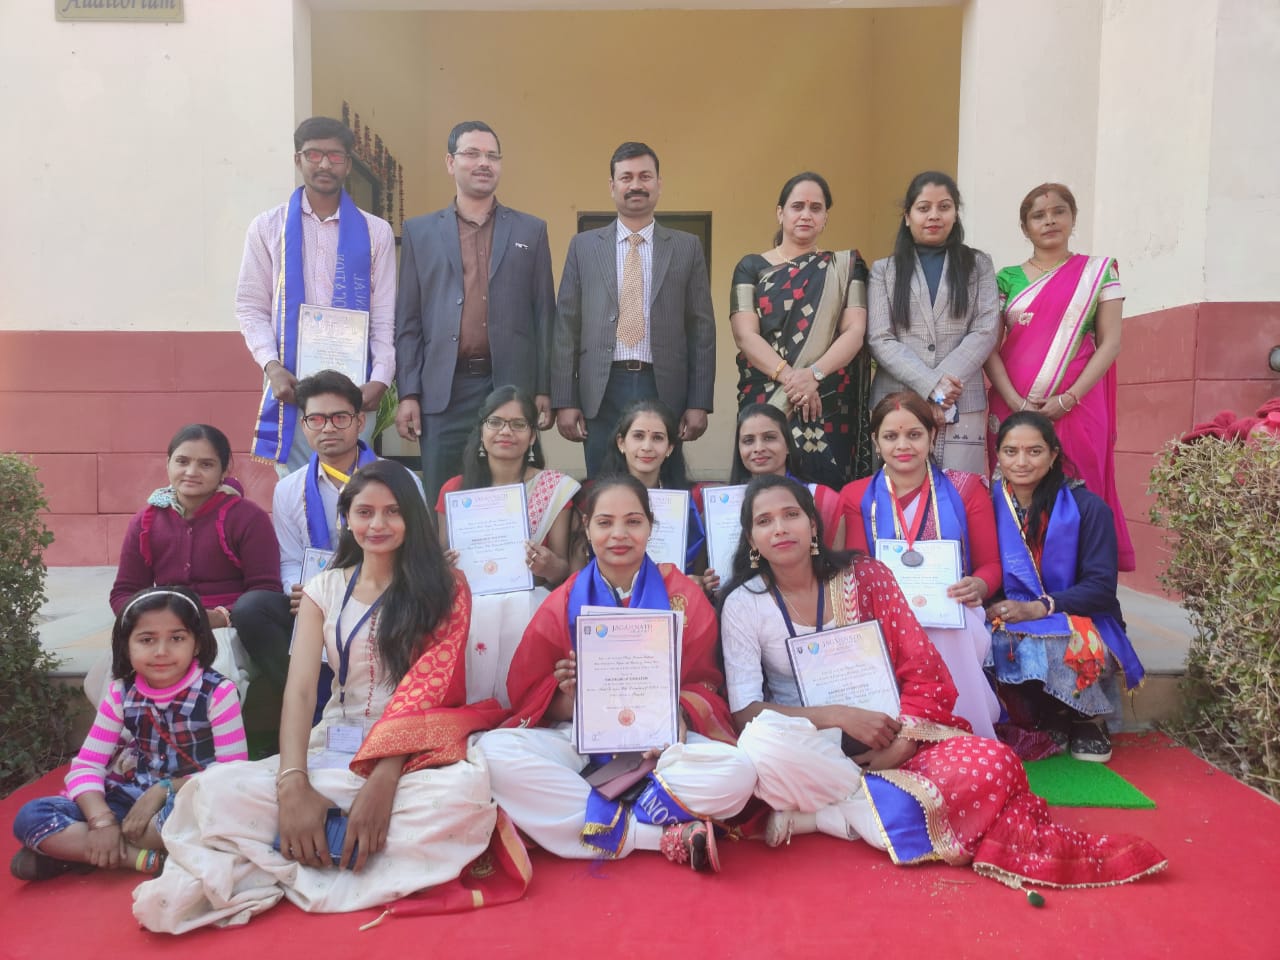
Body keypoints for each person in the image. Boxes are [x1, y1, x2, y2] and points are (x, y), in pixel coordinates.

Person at [720, 476, 1166, 889]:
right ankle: (854, 809)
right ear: (751, 539)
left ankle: (821, 814)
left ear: (813, 525)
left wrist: (903, 742)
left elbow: (923, 669)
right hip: (809, 746)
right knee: (760, 745)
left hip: (890, 736)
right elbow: (746, 713)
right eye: (765, 521)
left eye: (791, 514)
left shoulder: (866, 576)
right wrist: (838, 716)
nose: (781, 528)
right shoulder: (744, 604)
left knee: (997, 763)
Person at [134, 461, 515, 932]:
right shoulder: (324, 589)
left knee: (458, 799)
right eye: (365, 512)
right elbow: (298, 692)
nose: (377, 524)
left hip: (416, 751)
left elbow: (427, 690)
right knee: (218, 789)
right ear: (347, 519)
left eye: (393, 511)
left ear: (412, 518)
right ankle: (332, 844)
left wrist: (383, 780)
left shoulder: (447, 587)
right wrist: (293, 784)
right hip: (336, 740)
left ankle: (283, 852)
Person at [478, 475, 756, 873]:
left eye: (633, 521)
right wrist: (568, 696)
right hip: (583, 742)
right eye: (605, 522)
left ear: (650, 526)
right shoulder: (564, 599)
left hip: (664, 746)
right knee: (493, 753)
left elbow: (707, 683)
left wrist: (676, 714)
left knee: (739, 774)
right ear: (587, 527)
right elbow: (528, 691)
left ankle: (593, 818)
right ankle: (650, 833)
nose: (619, 534)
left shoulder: (683, 596)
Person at [11, 587, 246, 883]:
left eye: (177, 638)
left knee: (210, 815)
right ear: (126, 646)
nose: (161, 651)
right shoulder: (121, 693)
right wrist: (102, 822)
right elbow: (87, 766)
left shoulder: (218, 692)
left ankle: (79, 852)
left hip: (189, 801)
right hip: (130, 799)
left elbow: (231, 773)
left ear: (197, 643)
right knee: (31, 817)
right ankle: (146, 859)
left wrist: (163, 790)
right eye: (147, 640)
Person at [395, 120, 557, 505]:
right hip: (444, 391)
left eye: (492, 156)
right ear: (450, 162)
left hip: (510, 387)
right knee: (444, 496)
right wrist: (409, 392)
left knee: (511, 495)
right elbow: (409, 321)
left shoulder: (531, 231)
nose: (484, 163)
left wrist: (544, 388)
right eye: (472, 154)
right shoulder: (420, 232)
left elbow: (544, 315)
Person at [984, 183, 1135, 570]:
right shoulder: (1006, 279)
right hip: (1013, 403)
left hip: (1078, 406)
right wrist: (1016, 403)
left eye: (1058, 212)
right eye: (1038, 215)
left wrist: (1069, 399)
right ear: (1025, 227)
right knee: (1014, 487)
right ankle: (1017, 579)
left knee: (1080, 487)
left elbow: (1111, 344)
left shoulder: (1098, 272)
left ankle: (1082, 584)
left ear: (1073, 218)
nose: (1049, 221)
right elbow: (988, 347)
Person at [838, 392, 1001, 738]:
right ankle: (905, 732)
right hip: (884, 612)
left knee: (949, 625)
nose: (903, 445)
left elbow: (990, 565)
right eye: (890, 436)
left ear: (932, 435)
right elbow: (855, 570)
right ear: (875, 441)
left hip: (952, 606)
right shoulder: (856, 496)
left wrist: (978, 585)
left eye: (914, 434)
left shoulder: (966, 489)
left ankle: (960, 731)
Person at [238, 116, 396, 474]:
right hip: (291, 383)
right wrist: (273, 367)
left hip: (356, 384)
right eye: (313, 154)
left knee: (355, 486)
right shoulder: (269, 227)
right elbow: (250, 307)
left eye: (335, 156)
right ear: (298, 160)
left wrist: (381, 378)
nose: (324, 164)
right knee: (297, 485)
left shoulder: (376, 232)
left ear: (348, 164)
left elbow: (385, 316)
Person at [986, 412, 1146, 763]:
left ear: (1053, 455)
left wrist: (1041, 607)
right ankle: (1051, 711)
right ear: (998, 456)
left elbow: (1100, 588)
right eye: (1011, 451)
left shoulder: (1088, 508)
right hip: (1013, 615)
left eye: (1034, 451)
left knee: (1058, 641)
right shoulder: (986, 506)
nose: (1022, 462)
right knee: (982, 639)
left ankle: (1087, 717)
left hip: (1082, 617)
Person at [552, 141, 716, 475]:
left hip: (663, 385)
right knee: (603, 483)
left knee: (662, 482)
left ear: (659, 184)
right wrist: (565, 399)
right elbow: (566, 325)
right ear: (612, 186)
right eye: (626, 177)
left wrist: (699, 402)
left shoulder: (686, 247)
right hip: (601, 387)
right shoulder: (584, 247)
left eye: (645, 176)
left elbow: (701, 328)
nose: (636, 185)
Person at [271, 370, 425, 714]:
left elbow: (418, 546)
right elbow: (290, 558)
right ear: (304, 426)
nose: (327, 428)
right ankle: (310, 708)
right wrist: (298, 589)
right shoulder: (288, 489)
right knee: (258, 611)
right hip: (320, 597)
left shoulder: (401, 480)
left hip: (389, 592)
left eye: (339, 417)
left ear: (359, 421)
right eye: (316, 419)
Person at [108, 425, 284, 699]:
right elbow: (124, 591)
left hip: (226, 629)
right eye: (182, 461)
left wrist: (220, 616)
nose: (191, 472)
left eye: (206, 464)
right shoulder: (146, 521)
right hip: (162, 627)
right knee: (112, 682)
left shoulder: (248, 518)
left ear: (224, 470)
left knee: (213, 678)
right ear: (168, 464)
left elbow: (265, 591)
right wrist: (153, 620)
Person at [436, 386, 579, 705]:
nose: (505, 431)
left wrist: (547, 565)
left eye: (518, 424)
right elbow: (439, 564)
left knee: (523, 607)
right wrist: (444, 565)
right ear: (482, 430)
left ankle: (523, 706)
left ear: (532, 436)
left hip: (530, 601)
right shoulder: (456, 489)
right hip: (469, 601)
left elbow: (563, 570)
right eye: (496, 422)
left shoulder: (554, 489)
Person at [729, 172, 873, 488]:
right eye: (797, 206)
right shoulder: (750, 267)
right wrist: (793, 380)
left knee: (827, 491)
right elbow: (745, 335)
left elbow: (855, 330)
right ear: (780, 213)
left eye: (815, 208)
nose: (806, 214)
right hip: (767, 393)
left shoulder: (844, 268)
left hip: (827, 397)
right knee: (762, 485)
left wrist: (814, 375)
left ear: (825, 218)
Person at [867, 171, 999, 475]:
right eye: (924, 208)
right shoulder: (884, 270)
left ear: (955, 213)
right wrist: (931, 387)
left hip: (961, 401)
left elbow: (986, 329)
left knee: (960, 493)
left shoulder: (978, 264)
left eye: (944, 207)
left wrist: (941, 388)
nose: (934, 216)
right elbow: (879, 338)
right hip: (897, 400)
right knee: (899, 493)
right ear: (907, 216)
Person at [596, 398, 705, 577]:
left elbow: (695, 562)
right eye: (638, 436)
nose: (647, 447)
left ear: (669, 448)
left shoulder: (687, 503)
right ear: (621, 443)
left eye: (657, 438)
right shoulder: (600, 498)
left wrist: (695, 582)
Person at [729, 402, 845, 549]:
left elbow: (837, 561)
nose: (758, 448)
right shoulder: (721, 506)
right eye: (748, 441)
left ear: (788, 445)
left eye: (769, 438)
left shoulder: (823, 499)